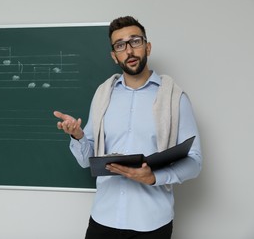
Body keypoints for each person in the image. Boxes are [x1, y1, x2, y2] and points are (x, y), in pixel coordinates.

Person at [53, 16, 202, 239]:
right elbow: (87, 161)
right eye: (120, 45)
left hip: (152, 224)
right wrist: (78, 136)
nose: (129, 51)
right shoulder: (103, 95)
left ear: (147, 47)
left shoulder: (175, 98)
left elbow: (195, 161)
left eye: (135, 41)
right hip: (103, 219)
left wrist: (154, 177)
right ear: (114, 56)